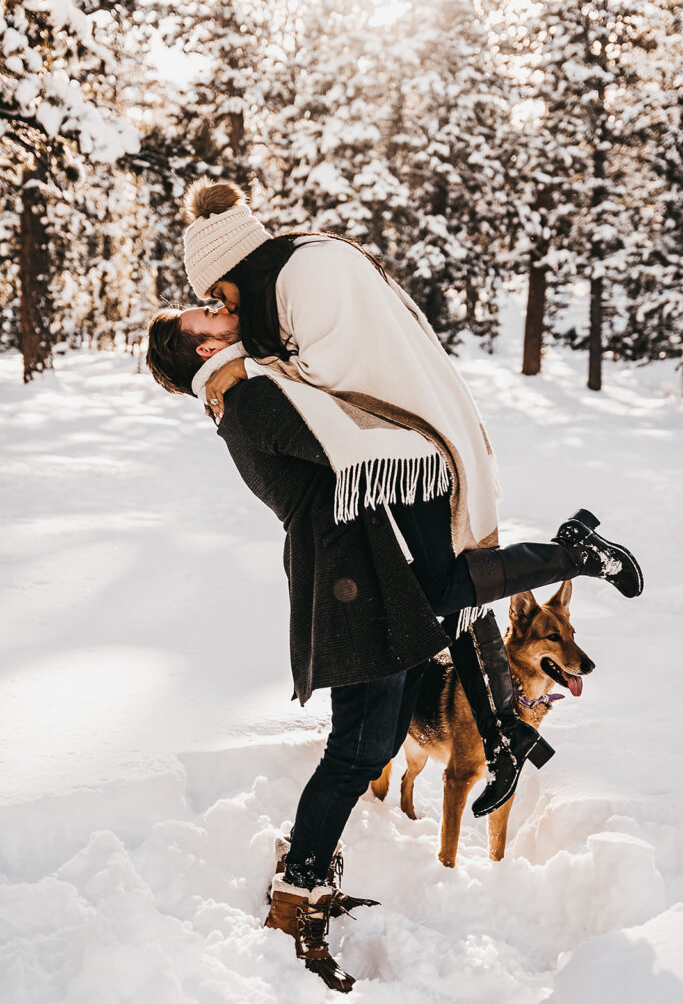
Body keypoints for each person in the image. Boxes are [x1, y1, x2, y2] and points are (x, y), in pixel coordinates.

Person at [146, 179, 643, 993]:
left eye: (207, 303)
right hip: (349, 593)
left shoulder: (251, 386)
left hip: (363, 572)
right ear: (200, 350)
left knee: (444, 599)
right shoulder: (247, 400)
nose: (211, 309)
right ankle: (293, 897)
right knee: (360, 749)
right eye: (200, 317)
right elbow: (346, 440)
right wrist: (409, 425)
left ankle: (570, 560)